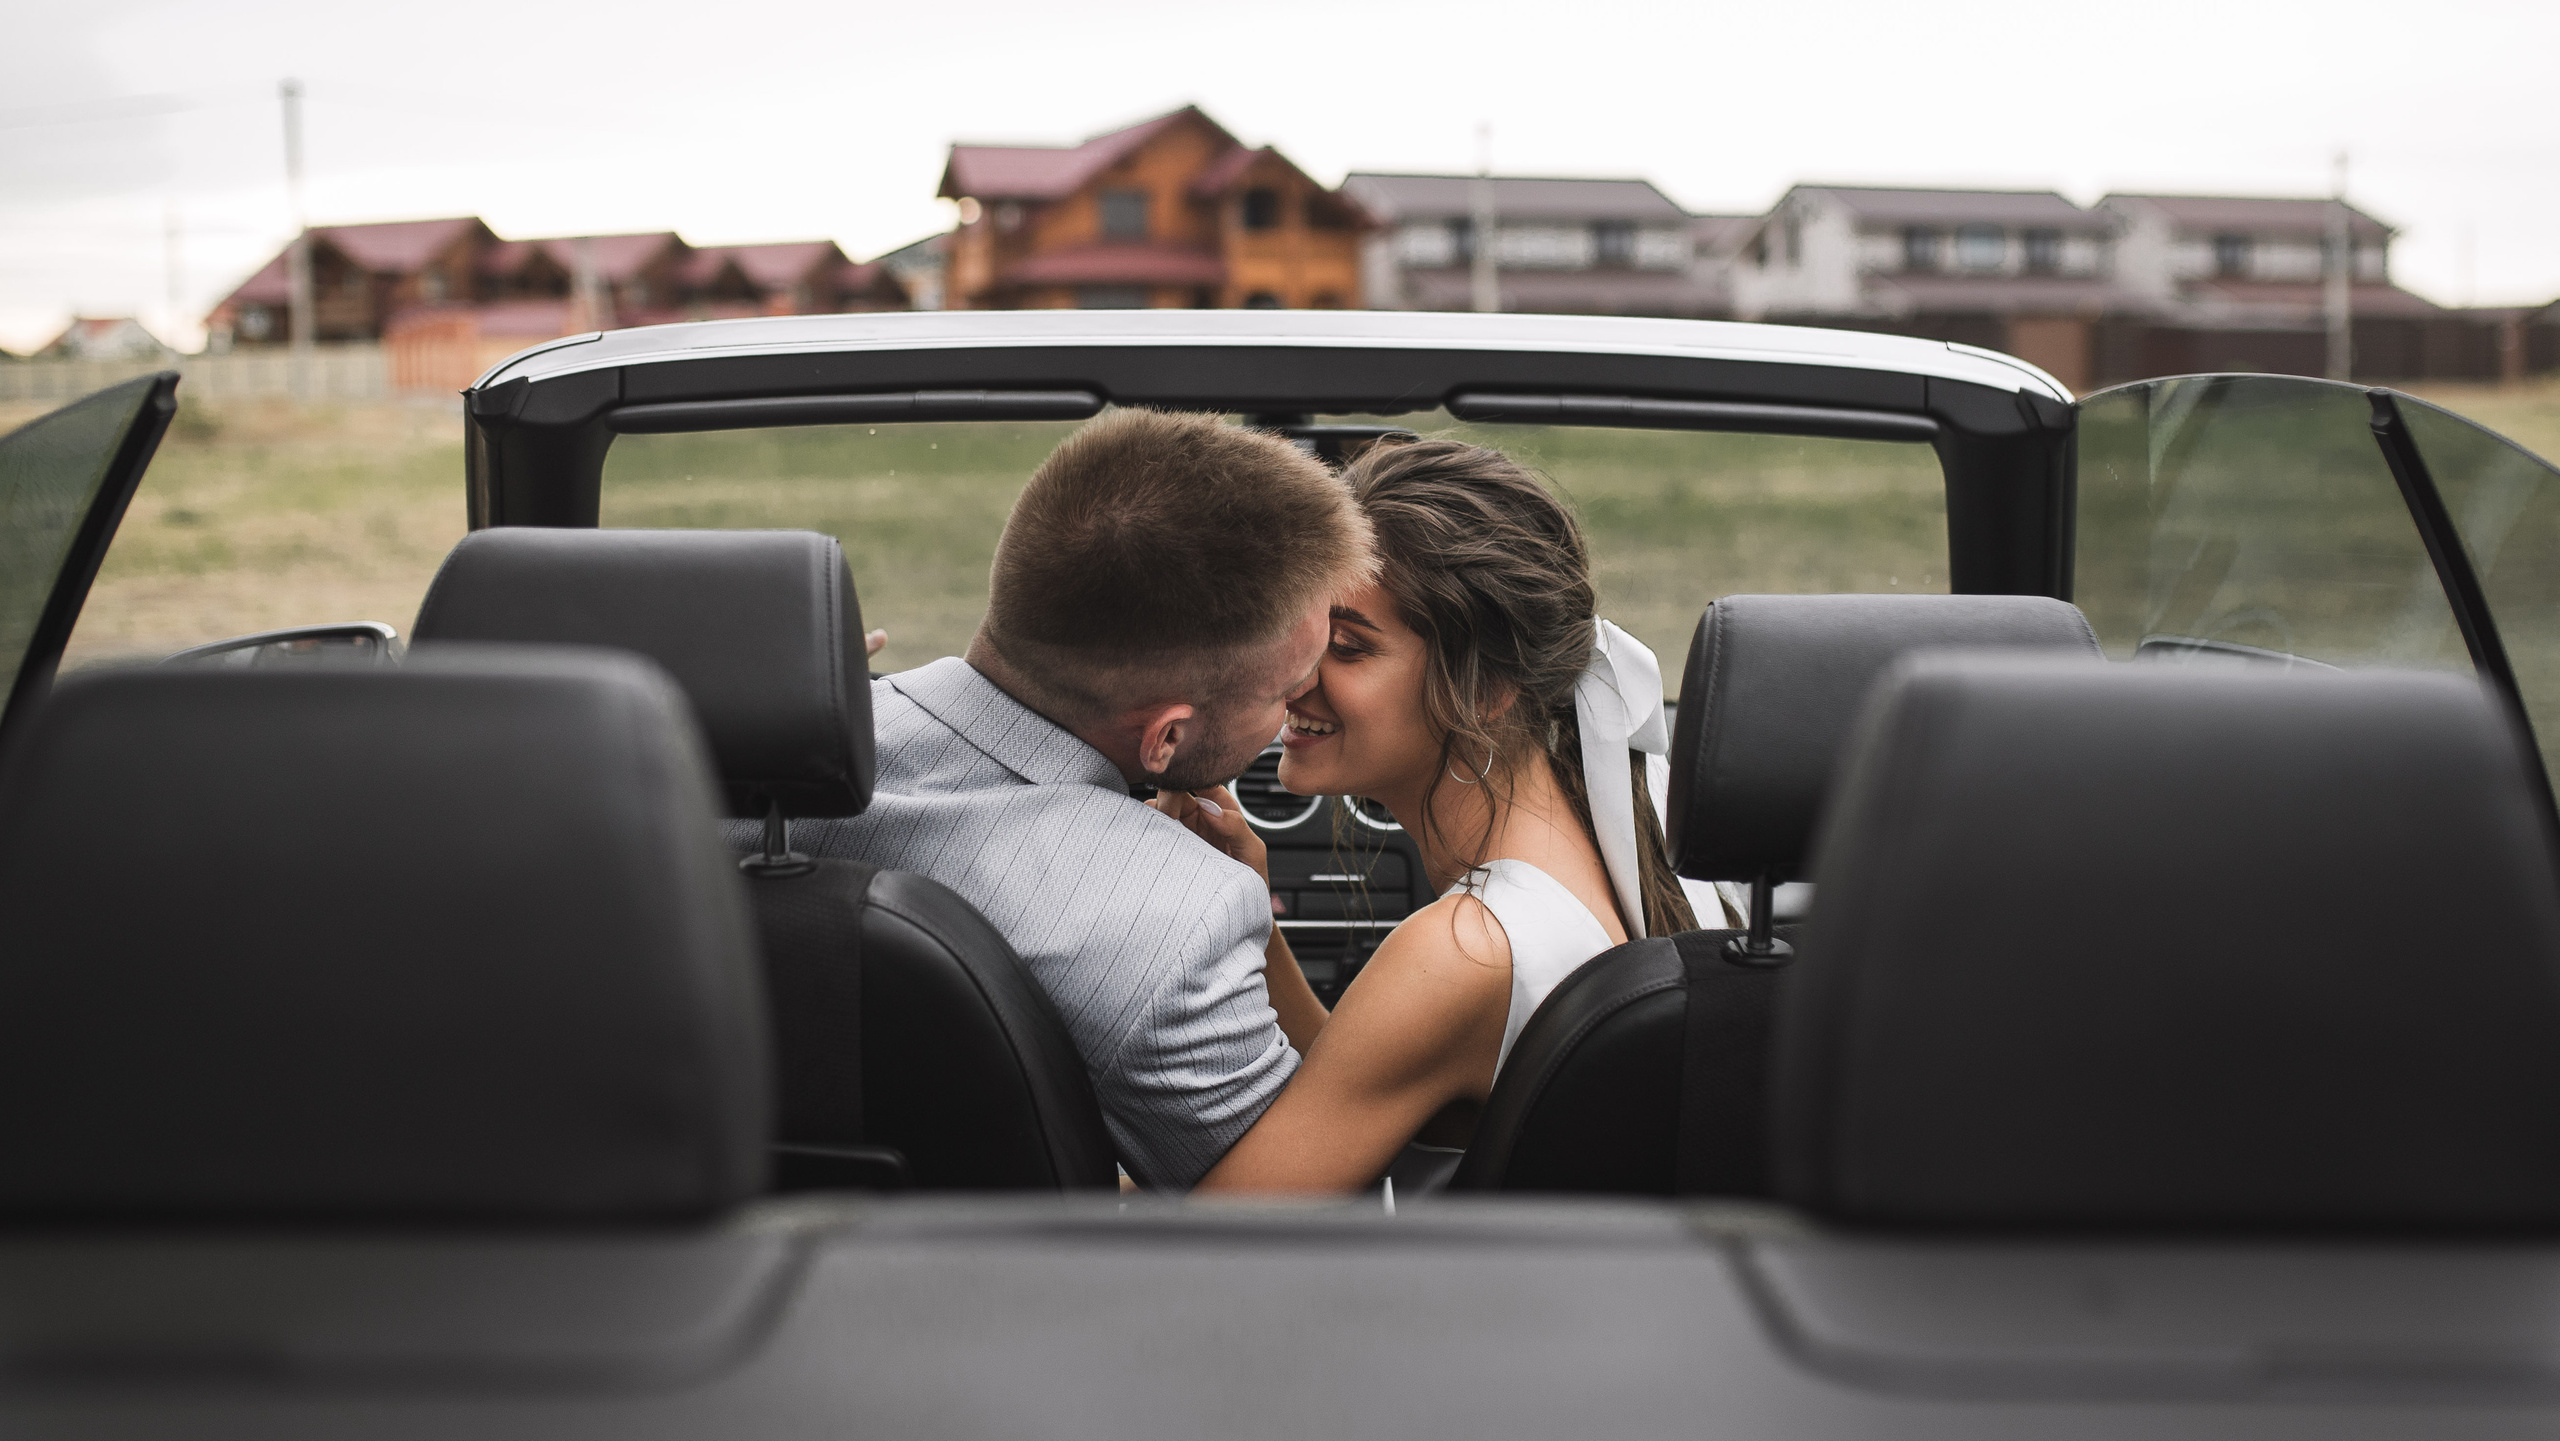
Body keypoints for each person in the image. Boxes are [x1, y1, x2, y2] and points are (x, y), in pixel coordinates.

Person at [769, 408, 1376, 1190]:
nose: (1298, 710)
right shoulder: (1180, 921)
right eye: (1287, 692)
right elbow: (1292, 1217)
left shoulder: (702, 771)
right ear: (1163, 740)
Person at [1154, 438, 1704, 1193]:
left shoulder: (1464, 952)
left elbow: (1214, 1230)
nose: (1291, 676)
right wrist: (1255, 913)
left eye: (1346, 647)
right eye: (1300, 632)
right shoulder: (1627, 831)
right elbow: (1371, 1079)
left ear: (1487, 688)